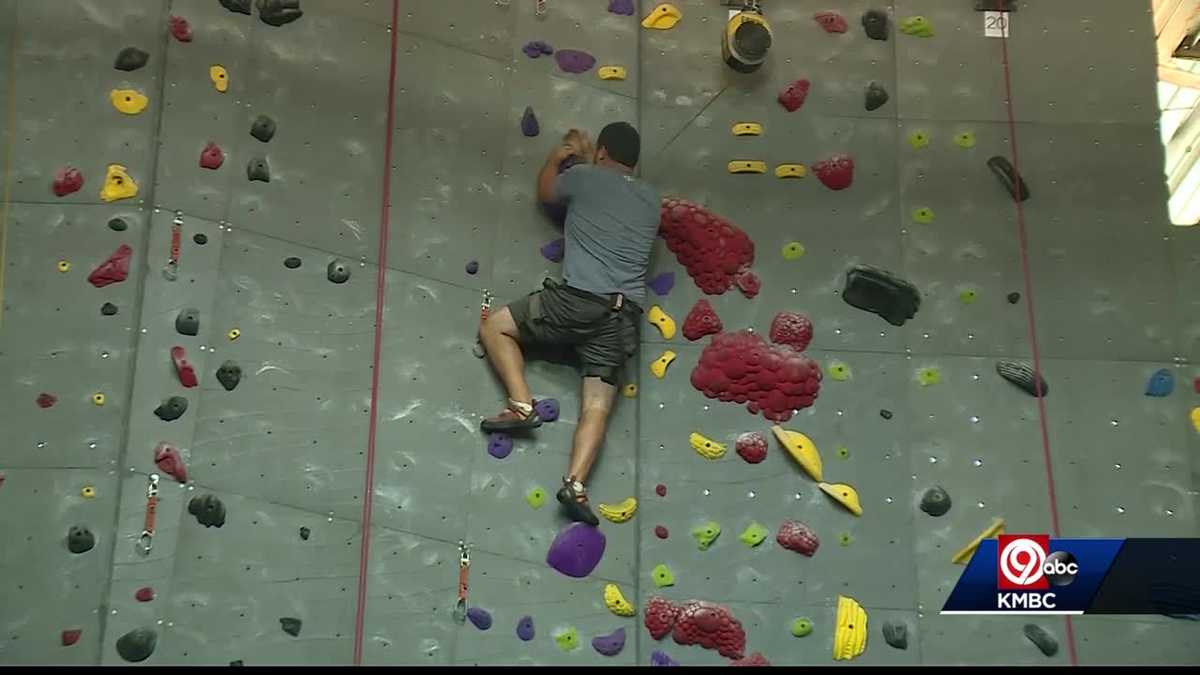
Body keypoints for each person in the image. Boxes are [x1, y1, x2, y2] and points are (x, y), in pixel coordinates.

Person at [478, 122, 660, 526]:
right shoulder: (651, 199)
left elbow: (546, 193)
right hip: (623, 316)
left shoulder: (583, 178)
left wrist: (559, 157)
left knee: (496, 327)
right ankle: (575, 485)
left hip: (577, 301)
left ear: (602, 151)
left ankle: (522, 404)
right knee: (597, 405)